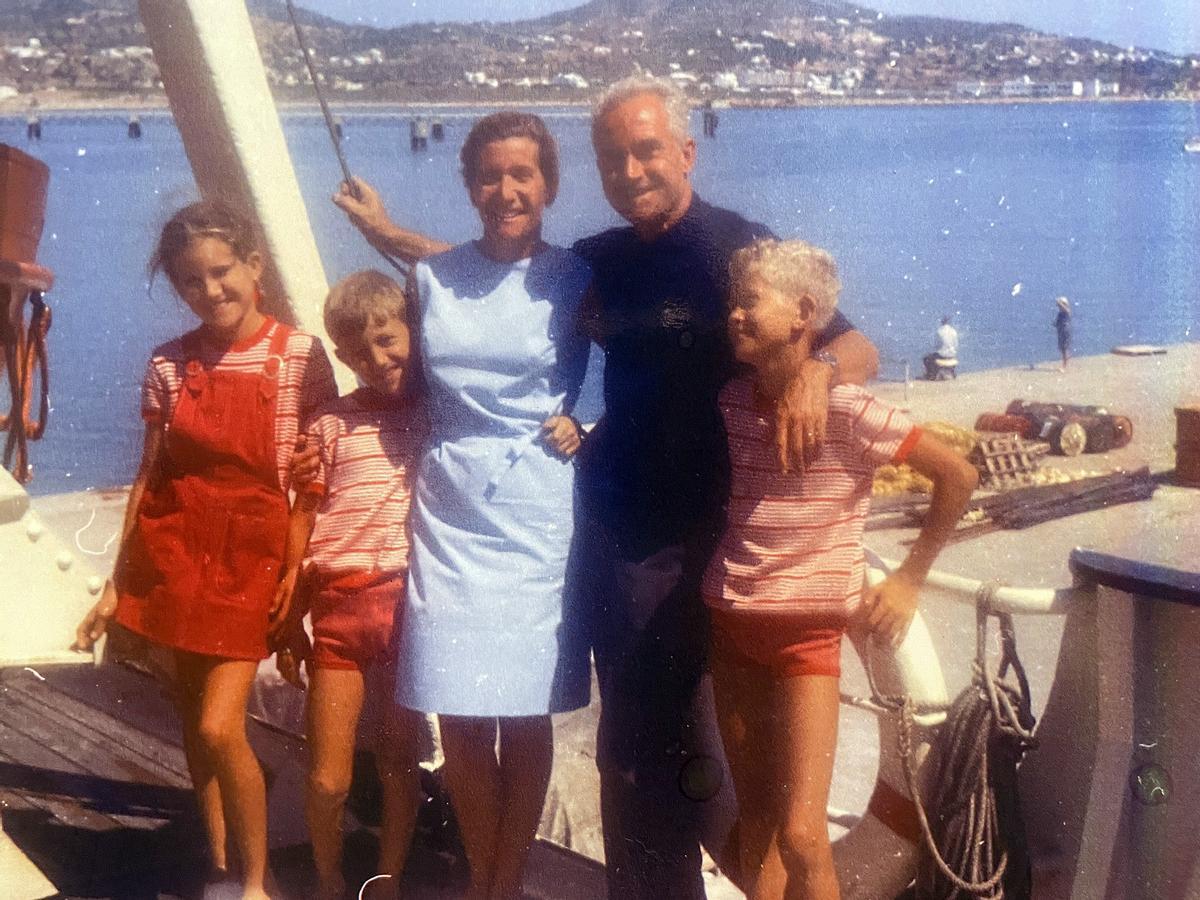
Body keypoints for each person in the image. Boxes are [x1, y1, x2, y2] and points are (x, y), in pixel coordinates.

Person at [328, 77, 879, 899]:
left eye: (647, 149)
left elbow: (853, 343)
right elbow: (487, 273)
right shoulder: (601, 260)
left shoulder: (735, 248)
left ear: (686, 153)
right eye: (613, 156)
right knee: (632, 755)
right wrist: (386, 234)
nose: (631, 169)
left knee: (698, 757)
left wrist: (819, 375)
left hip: (715, 538)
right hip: (618, 534)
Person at [72, 199, 338, 899]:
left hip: (254, 558)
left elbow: (313, 479)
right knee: (196, 724)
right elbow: (149, 477)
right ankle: (219, 863)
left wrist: (297, 569)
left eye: (222, 273)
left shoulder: (300, 358)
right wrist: (115, 583)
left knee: (222, 726)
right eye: (192, 282)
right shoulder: (168, 363)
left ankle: (258, 884)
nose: (211, 291)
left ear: (253, 267)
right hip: (176, 553)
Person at [705, 239, 978, 900]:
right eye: (731, 302)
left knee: (802, 833)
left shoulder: (851, 411)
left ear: (803, 313)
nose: (734, 315)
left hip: (807, 644)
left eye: (749, 303)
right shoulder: (731, 403)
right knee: (760, 820)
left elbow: (959, 476)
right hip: (732, 626)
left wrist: (909, 577)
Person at [385, 112, 590, 900]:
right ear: (470, 184)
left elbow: (610, 364)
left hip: (537, 502)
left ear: (548, 185)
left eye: (523, 175)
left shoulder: (576, 276)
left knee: (522, 707)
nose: (506, 191)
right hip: (450, 504)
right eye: (489, 176)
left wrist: (587, 416)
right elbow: (400, 380)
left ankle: (501, 885)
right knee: (460, 710)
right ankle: (488, 879)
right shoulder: (430, 278)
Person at [273, 271, 427, 900]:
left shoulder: (433, 415)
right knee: (328, 779)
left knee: (398, 763)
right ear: (341, 357)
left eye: (389, 341)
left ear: (413, 333)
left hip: (405, 610)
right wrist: (288, 613)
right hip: (337, 610)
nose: (378, 360)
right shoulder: (330, 425)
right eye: (360, 353)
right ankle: (330, 878)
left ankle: (387, 881)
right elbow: (304, 516)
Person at [923, 315, 958, 380]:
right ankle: (949, 373)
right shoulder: (954, 331)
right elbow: (956, 345)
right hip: (952, 354)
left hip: (942, 354)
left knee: (926, 359)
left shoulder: (939, 331)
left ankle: (931, 375)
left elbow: (936, 346)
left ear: (942, 322)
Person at [1054, 296, 1071, 370]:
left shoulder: (1066, 310)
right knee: (1062, 348)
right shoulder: (1061, 312)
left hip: (1064, 331)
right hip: (1060, 331)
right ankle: (1066, 359)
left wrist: (1059, 302)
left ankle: (1064, 366)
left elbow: (1064, 308)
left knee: (1064, 348)